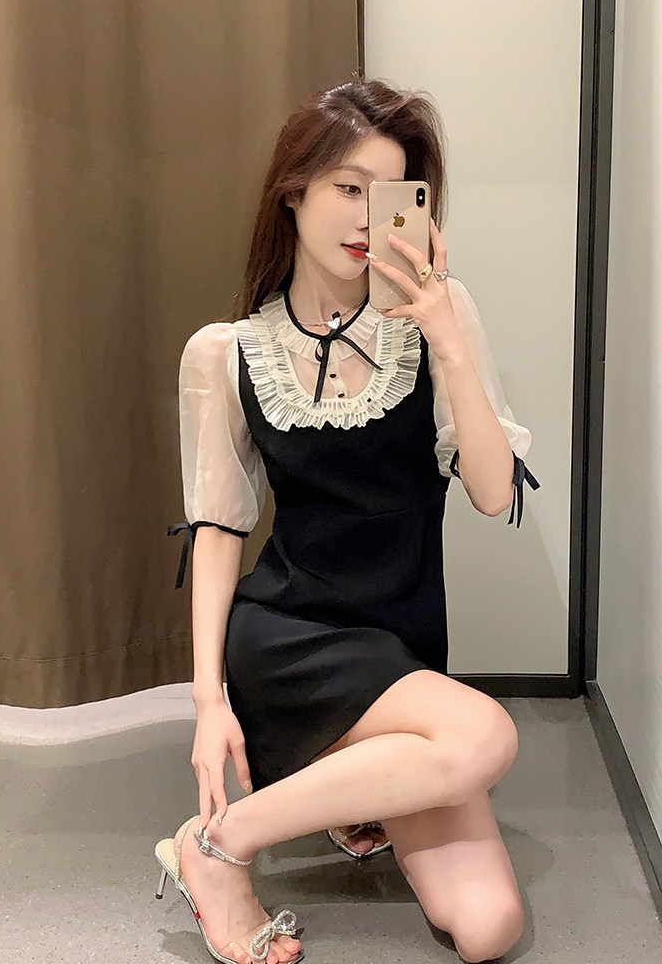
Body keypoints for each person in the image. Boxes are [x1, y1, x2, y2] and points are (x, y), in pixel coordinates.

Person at [155, 77, 540, 964]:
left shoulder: (438, 321)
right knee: (485, 734)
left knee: (489, 929)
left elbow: (492, 492)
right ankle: (219, 853)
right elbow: (218, 530)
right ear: (293, 191)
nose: (367, 217)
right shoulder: (227, 354)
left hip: (400, 649)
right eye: (346, 188)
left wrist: (446, 336)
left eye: (389, 193)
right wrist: (208, 701)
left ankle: (265, 821)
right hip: (288, 640)